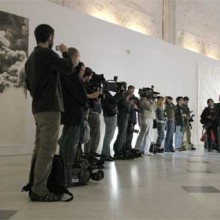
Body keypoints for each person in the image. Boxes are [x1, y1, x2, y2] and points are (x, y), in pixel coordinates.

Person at [25, 24, 73, 201]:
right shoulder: (47, 54)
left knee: (39, 149)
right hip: (50, 109)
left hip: (38, 108)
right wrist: (66, 52)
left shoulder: (30, 59)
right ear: (51, 38)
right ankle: (39, 190)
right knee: (47, 151)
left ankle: (34, 185)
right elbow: (69, 67)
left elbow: (29, 86)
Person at [58, 54, 88, 186]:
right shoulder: (70, 74)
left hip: (68, 112)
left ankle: (63, 169)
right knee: (72, 142)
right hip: (74, 113)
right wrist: (85, 103)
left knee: (66, 139)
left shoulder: (62, 73)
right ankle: (67, 171)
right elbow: (80, 95)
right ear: (74, 57)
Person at [124, 85, 139, 157]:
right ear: (128, 90)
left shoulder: (135, 98)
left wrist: (135, 107)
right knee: (124, 135)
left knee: (130, 135)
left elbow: (139, 109)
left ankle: (128, 149)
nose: (131, 92)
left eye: (133, 91)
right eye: (130, 90)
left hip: (132, 118)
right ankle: (123, 150)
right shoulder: (124, 96)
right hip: (125, 118)